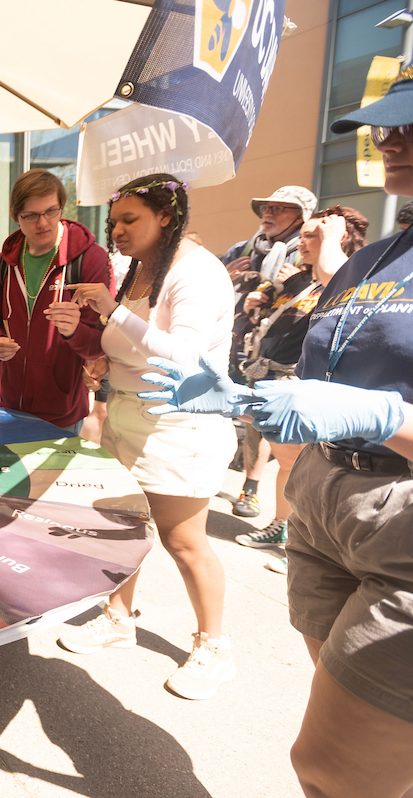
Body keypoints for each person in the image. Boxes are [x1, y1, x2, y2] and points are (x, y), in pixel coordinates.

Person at [143, 80, 413, 792]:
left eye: (409, 125)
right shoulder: (375, 259)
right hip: (325, 505)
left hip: (402, 516)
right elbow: (319, 378)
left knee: (328, 767)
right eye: (383, 126)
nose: (389, 140)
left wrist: (379, 415)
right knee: (374, 737)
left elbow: (360, 401)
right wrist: (248, 401)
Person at [61, 174, 237, 701]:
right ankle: (118, 618)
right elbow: (132, 346)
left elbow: (182, 355)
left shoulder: (196, 273)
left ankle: (214, 647)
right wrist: (97, 356)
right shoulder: (141, 269)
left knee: (184, 542)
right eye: (114, 221)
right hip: (127, 417)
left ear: (167, 215)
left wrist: (110, 312)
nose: (115, 230)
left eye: (128, 220)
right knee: (120, 525)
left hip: (178, 427)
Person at [232, 207, 368, 572]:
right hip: (270, 377)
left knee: (300, 465)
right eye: (303, 235)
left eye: (312, 235)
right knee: (288, 464)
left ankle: (297, 542)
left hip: (300, 382)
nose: (302, 242)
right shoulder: (302, 281)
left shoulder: (346, 279)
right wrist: (255, 305)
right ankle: (283, 529)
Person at [0, 169, 112, 434]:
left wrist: (74, 330)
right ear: (15, 215)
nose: (43, 223)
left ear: (62, 206)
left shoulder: (90, 259)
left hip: (62, 411)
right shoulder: (5, 262)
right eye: (31, 216)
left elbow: (99, 345)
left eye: (51, 211)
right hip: (8, 407)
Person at [222, 185, 317, 519]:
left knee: (283, 435)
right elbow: (218, 282)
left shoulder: (310, 252)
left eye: (280, 208)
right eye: (267, 207)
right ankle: (250, 491)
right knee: (254, 422)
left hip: (295, 357)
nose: (269, 213)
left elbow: (323, 296)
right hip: (253, 349)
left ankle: (291, 520)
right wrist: (240, 294)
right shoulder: (247, 248)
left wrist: (295, 286)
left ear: (301, 218)